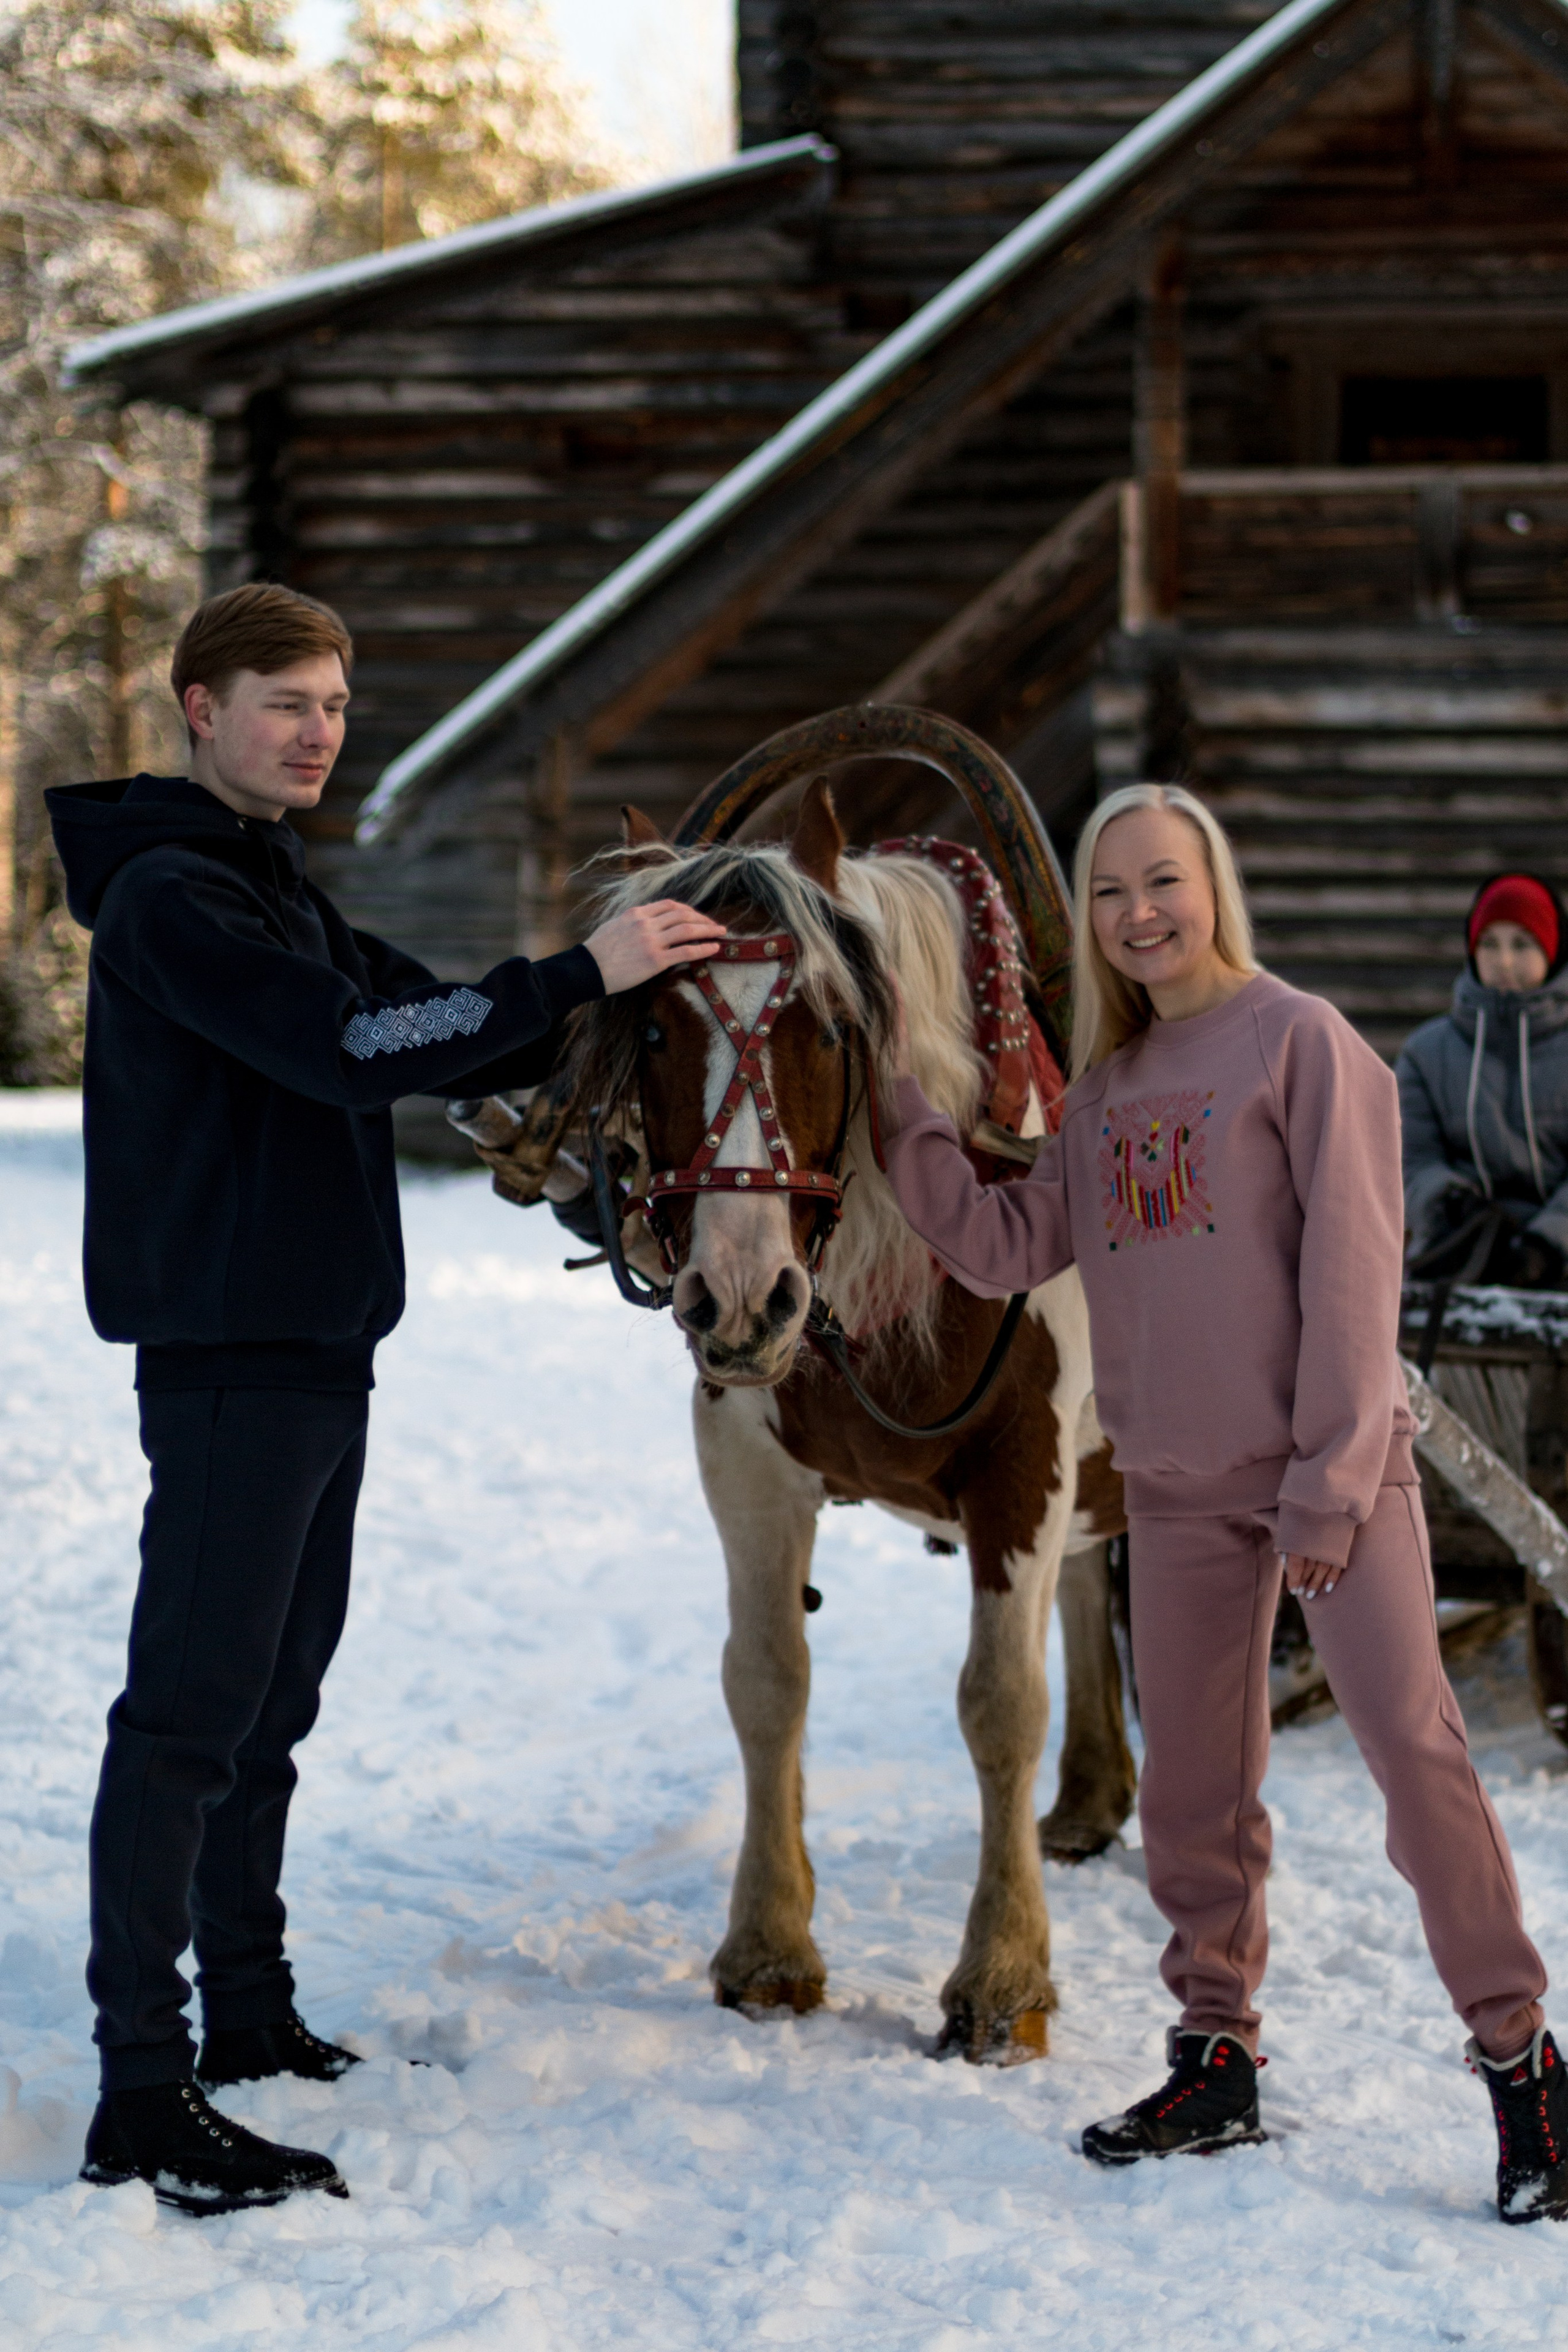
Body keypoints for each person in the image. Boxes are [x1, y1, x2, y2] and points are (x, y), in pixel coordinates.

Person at [47, 584, 724, 2217]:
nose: (318, 731)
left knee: (268, 1707)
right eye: (285, 700)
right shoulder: (169, 896)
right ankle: (144, 2083)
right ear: (197, 707)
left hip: (315, 1349)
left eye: (337, 704)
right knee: (189, 1718)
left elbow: (438, 1029)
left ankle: (250, 2016)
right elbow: (360, 1046)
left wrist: (606, 1004)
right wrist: (576, 964)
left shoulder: (275, 886)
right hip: (229, 1354)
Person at [879, 782, 1564, 2224]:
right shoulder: (1106, 1094)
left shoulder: (1300, 1045)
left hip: (1328, 1480)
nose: (1137, 911)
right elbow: (1006, 1247)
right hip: (1172, 1495)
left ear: (1212, 884)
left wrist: (1325, 1485)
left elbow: (1352, 1282)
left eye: (1161, 880)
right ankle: (1213, 2053)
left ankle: (1523, 2071)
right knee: (1191, 1790)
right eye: (1110, 890)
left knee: (1412, 1758)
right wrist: (902, 1119)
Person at [1398, 872, 1568, 1289]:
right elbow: (1408, 1158)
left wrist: (1548, 1242)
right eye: (1489, 944)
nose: (1504, 961)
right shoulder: (1426, 1054)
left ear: (1554, 951)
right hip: (1457, 1266)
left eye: (1522, 944)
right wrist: (1451, 1207)